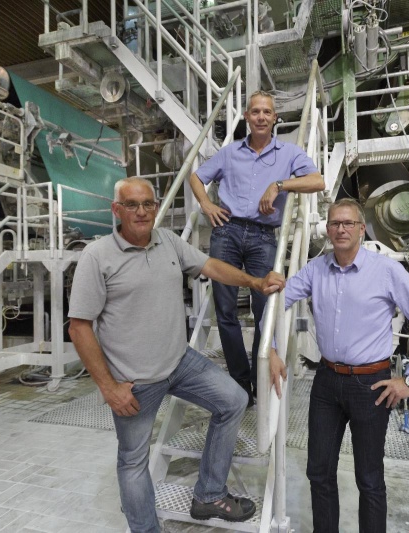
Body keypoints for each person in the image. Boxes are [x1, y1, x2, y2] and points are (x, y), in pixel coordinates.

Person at [68, 177, 285, 533]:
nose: (141, 212)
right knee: (133, 462)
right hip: (133, 381)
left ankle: (209, 495)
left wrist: (255, 282)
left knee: (233, 399)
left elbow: (211, 266)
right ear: (116, 210)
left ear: (156, 207)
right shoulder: (98, 256)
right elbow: (79, 327)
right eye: (132, 205)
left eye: (148, 204)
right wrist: (109, 387)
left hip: (179, 362)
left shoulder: (167, 241)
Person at [268, 198, 409, 533]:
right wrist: (273, 348)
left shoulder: (385, 270)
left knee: (369, 479)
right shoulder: (316, 269)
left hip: (371, 386)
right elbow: (279, 300)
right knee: (319, 472)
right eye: (334, 223)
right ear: (327, 229)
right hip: (326, 382)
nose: (340, 229)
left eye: (348, 223)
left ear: (361, 230)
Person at [189, 90, 324, 406]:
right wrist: (207, 204)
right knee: (225, 311)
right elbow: (197, 177)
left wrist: (280, 185)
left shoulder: (289, 153)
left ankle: (260, 375)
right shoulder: (230, 152)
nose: (261, 117)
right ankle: (240, 383)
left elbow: (317, 181)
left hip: (264, 237)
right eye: (255, 112)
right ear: (247, 117)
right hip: (227, 232)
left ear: (275, 118)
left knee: (265, 310)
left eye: (267, 112)